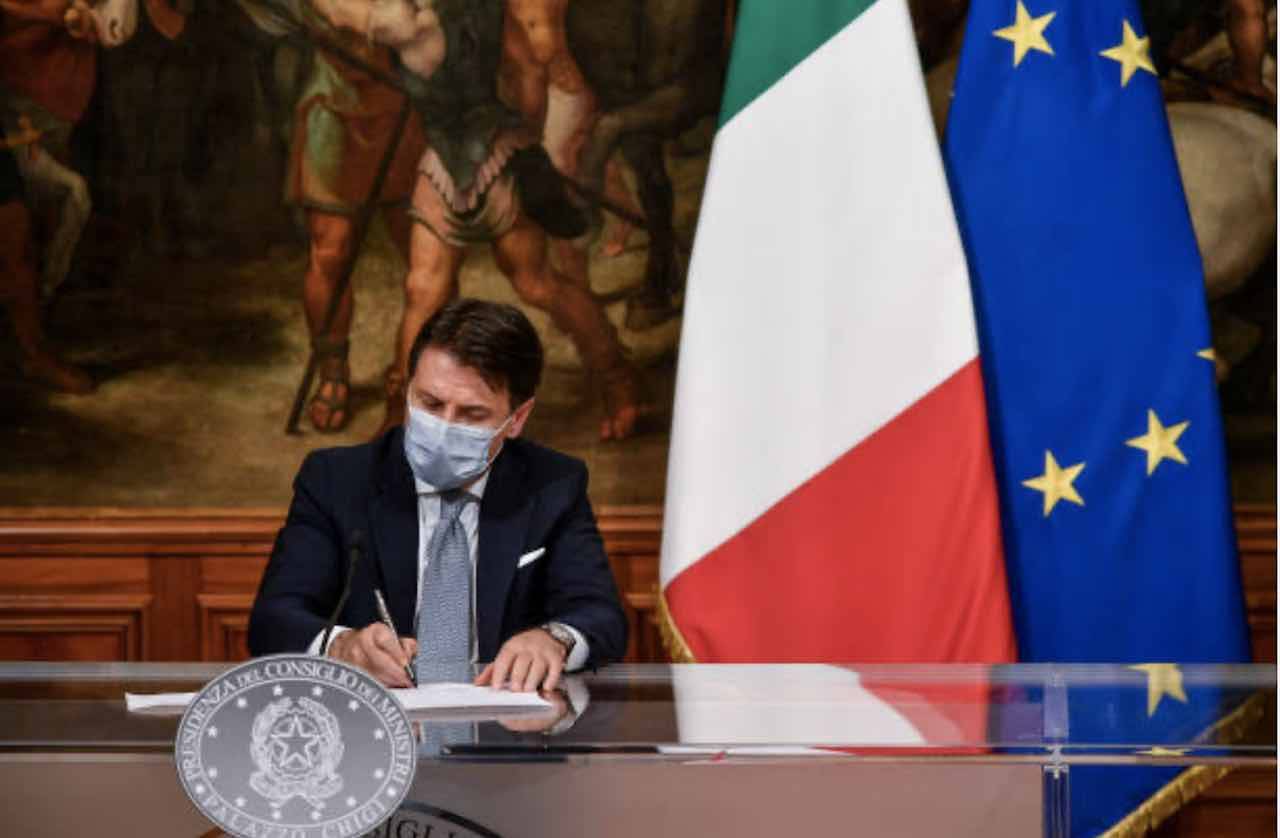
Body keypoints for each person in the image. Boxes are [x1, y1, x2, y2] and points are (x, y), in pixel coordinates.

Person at [248, 298, 629, 694]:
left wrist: (554, 639)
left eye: (472, 414)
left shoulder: (554, 485)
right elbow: (273, 620)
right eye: (430, 403)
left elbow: (601, 616)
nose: (443, 426)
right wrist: (342, 646)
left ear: (517, 419)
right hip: (374, 721)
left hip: (507, 722)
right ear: (407, 390)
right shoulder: (337, 480)